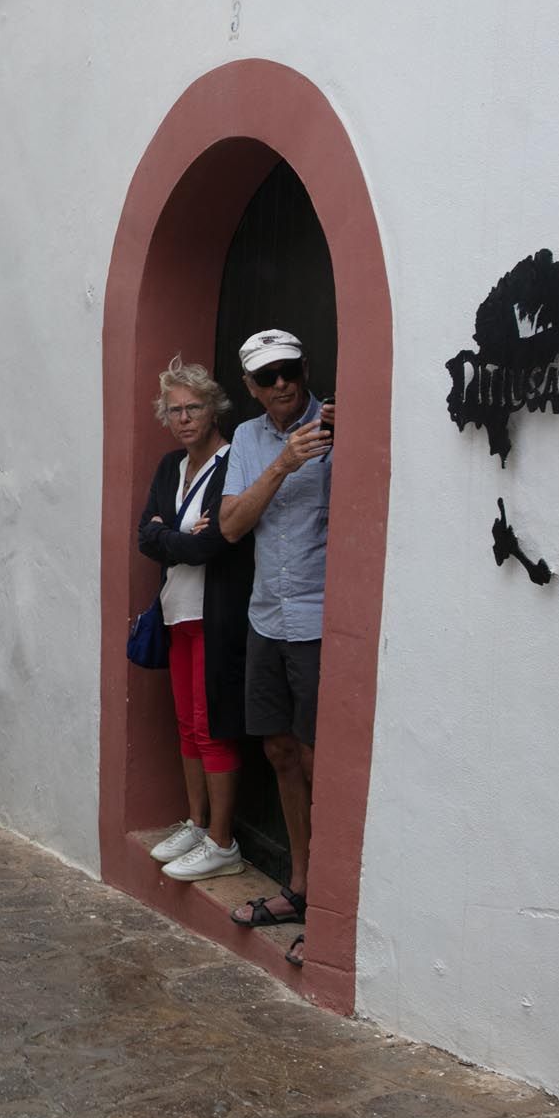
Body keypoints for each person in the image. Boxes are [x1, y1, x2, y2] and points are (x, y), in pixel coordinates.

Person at [214, 329, 335, 968]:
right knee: (280, 751)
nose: (283, 384)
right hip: (268, 616)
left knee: (319, 758)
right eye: (269, 377)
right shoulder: (249, 443)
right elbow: (231, 525)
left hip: (319, 619)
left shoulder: (337, 425)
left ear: (305, 369)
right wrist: (284, 463)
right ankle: (302, 885)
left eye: (290, 370)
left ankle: (334, 907)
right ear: (251, 388)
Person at [136, 357, 255, 880]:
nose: (184, 418)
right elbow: (146, 535)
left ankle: (223, 844)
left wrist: (174, 538)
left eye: (194, 408)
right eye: (174, 410)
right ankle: (198, 822)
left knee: (212, 728)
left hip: (215, 614)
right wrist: (173, 538)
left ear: (214, 409)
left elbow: (214, 544)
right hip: (176, 611)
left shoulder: (231, 464)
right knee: (186, 726)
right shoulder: (169, 467)